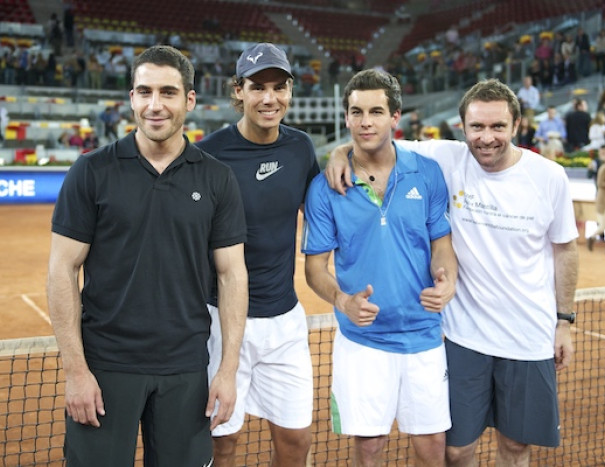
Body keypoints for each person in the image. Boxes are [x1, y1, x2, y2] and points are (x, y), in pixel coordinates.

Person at [326, 78, 579, 466]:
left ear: (517, 125)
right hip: (464, 338)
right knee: (456, 450)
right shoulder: (446, 158)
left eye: (498, 126)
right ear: (463, 128)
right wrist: (341, 151)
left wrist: (565, 321)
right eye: (477, 127)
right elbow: (374, 140)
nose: (487, 137)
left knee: (515, 447)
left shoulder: (550, 177)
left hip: (529, 337)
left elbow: (565, 250)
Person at [47, 45, 249, 466]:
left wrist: (227, 372)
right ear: (132, 98)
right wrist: (76, 373)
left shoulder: (217, 178)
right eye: (144, 92)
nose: (155, 105)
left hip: (186, 370)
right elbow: (62, 269)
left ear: (189, 100)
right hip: (106, 368)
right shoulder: (92, 171)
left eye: (168, 92)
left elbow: (232, 276)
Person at [302, 68, 456, 466]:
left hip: (423, 335)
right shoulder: (326, 187)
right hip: (362, 342)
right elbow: (314, 268)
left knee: (432, 448)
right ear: (347, 117)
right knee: (368, 448)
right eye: (356, 112)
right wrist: (341, 300)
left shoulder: (427, 172)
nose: (365, 121)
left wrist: (447, 278)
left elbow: (441, 244)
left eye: (375, 111)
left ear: (395, 117)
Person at [195, 42, 320, 467]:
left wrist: (343, 155)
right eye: (258, 87)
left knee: (295, 441)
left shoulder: (301, 148)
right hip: (221, 322)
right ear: (239, 91)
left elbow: (323, 209)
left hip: (285, 322)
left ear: (289, 91)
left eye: (279, 87)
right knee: (222, 442)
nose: (270, 98)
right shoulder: (209, 153)